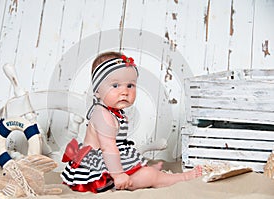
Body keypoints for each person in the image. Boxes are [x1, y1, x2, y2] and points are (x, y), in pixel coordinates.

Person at [60, 51, 202, 193]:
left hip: (111, 160)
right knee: (149, 175)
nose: (124, 92)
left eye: (130, 85)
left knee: (141, 168)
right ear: (97, 91)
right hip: (99, 170)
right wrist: (118, 175)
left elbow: (118, 148)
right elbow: (108, 148)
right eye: (115, 85)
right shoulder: (102, 114)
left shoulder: (115, 112)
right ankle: (180, 178)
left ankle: (144, 173)